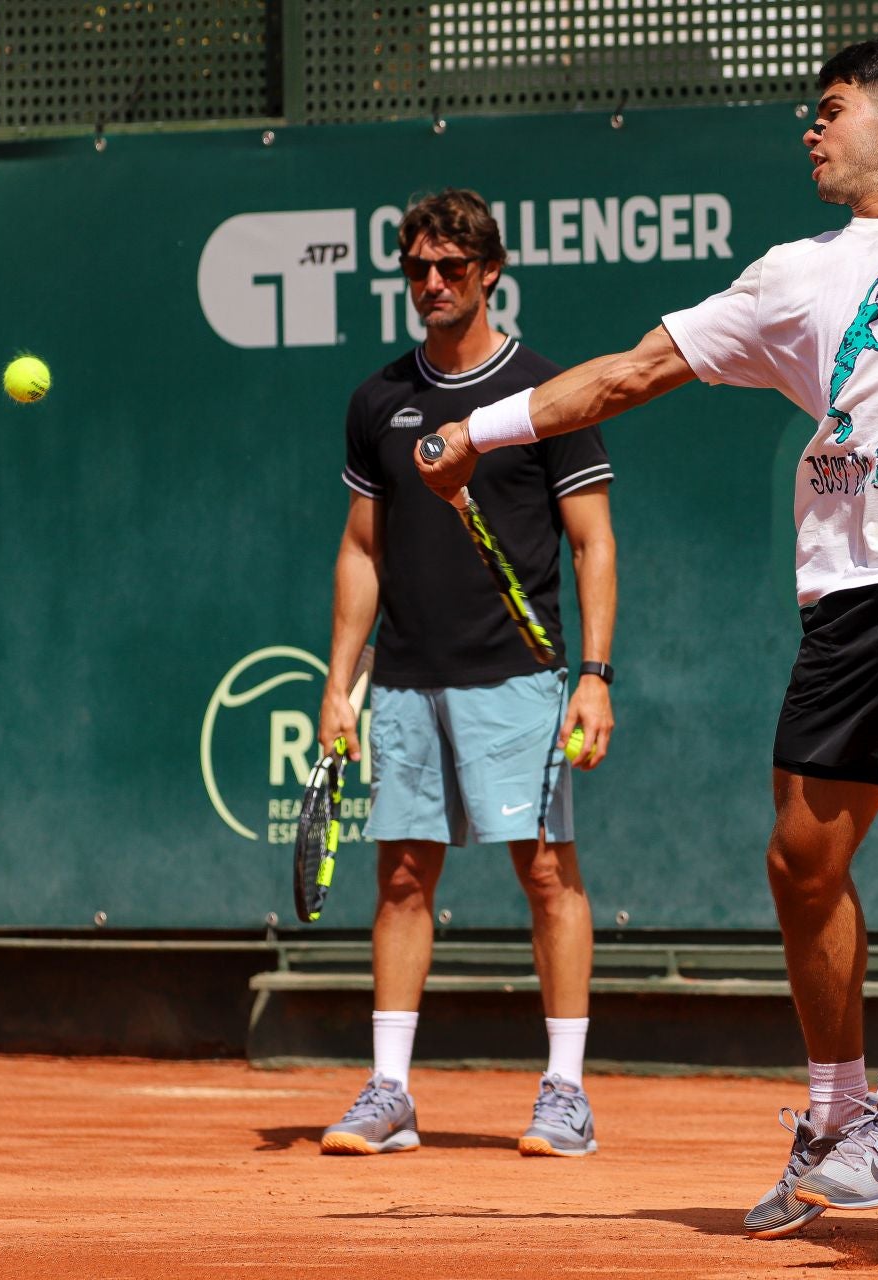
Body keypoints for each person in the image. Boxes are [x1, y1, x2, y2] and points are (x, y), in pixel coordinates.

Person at [416, 35, 878, 1233]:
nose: (809, 129)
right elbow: (632, 372)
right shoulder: (794, 273)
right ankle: (835, 1113)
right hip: (844, 598)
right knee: (801, 863)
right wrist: (482, 430)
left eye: (829, 109)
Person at [315, 188, 618, 1160]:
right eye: (417, 268)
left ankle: (565, 1093)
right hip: (407, 678)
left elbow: (593, 543)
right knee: (402, 876)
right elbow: (362, 548)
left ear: (491, 272)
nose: (432, 282)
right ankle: (391, 1092)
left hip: (519, 675)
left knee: (547, 873)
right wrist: (339, 683)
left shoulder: (544, 393)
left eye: (451, 266)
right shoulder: (377, 401)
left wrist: (595, 674)